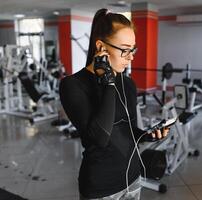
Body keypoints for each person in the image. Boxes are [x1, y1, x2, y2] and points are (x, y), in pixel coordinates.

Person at [59, 8, 169, 200]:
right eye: (125, 49)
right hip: (101, 187)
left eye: (133, 49)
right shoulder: (73, 85)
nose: (131, 57)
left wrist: (147, 135)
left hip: (133, 179)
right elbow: (99, 138)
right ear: (101, 47)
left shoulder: (128, 84)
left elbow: (128, 132)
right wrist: (108, 82)